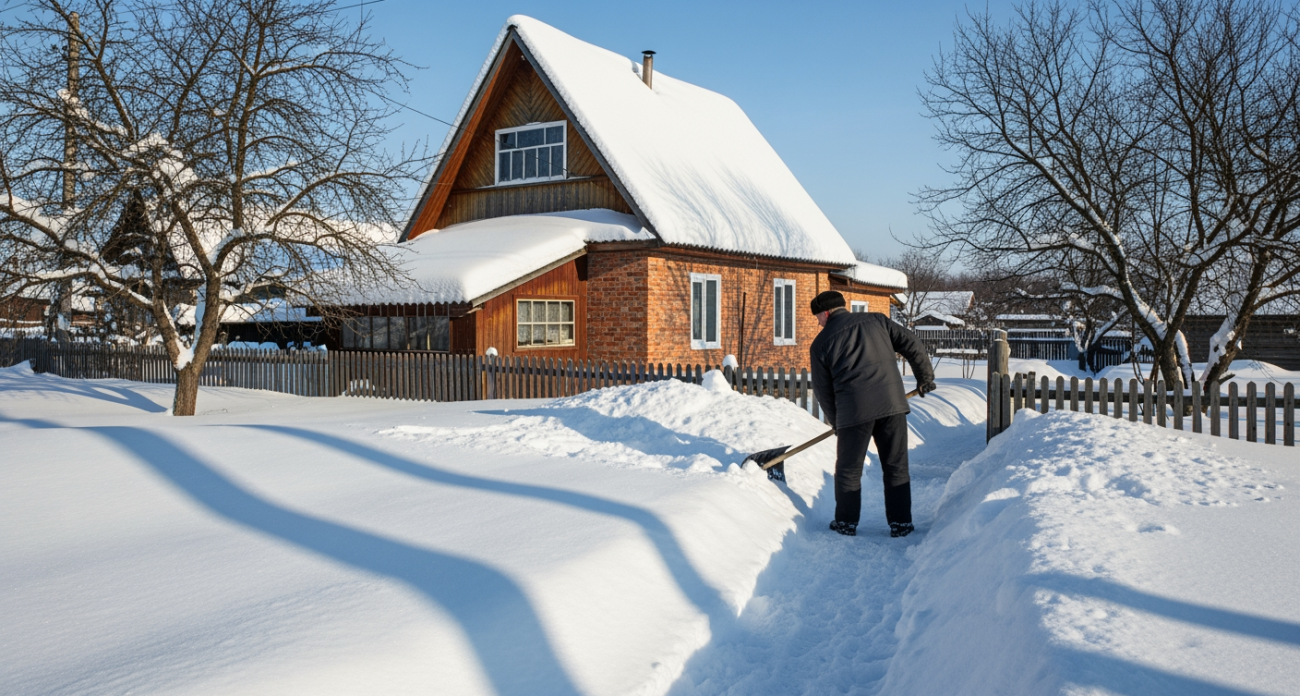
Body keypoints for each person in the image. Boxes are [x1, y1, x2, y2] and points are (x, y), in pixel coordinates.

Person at [809, 291, 936, 538]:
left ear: (826, 313)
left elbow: (823, 391)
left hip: (854, 412)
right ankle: (901, 524)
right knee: (896, 466)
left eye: (817, 317)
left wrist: (838, 422)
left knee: (849, 469)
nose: (817, 322)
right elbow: (912, 343)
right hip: (892, 404)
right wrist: (925, 377)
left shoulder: (821, 343)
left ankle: (846, 523)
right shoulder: (878, 321)